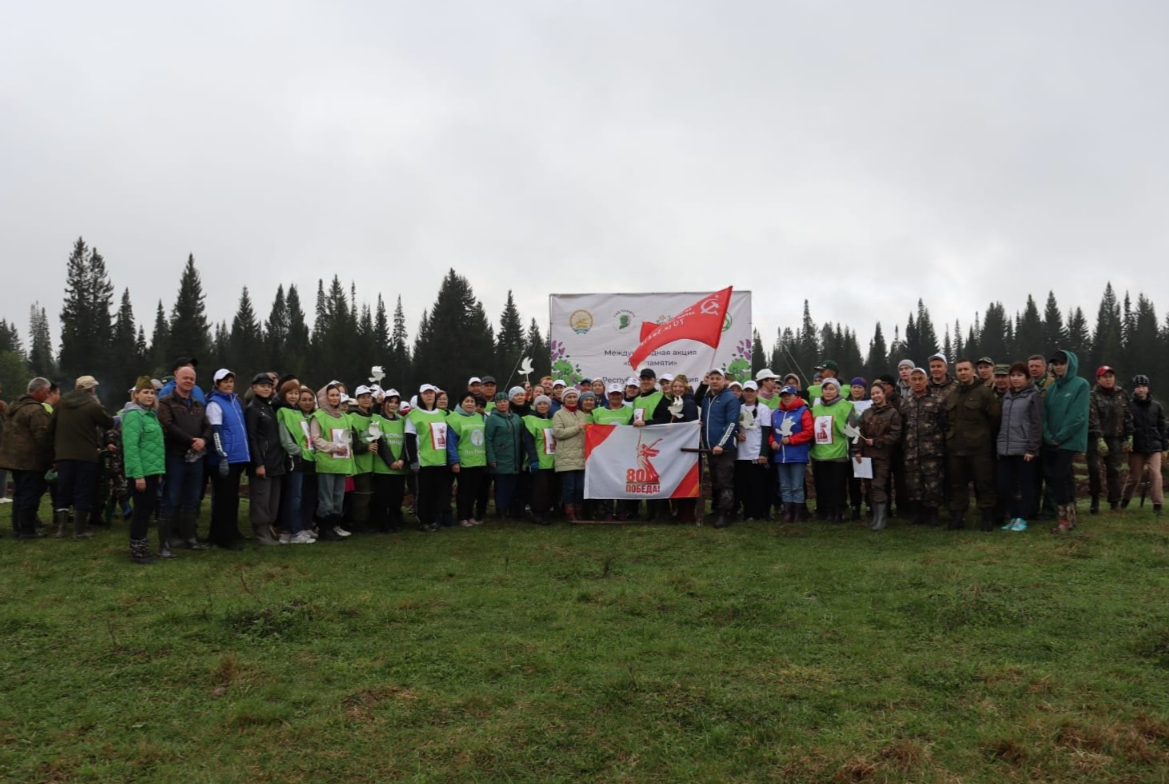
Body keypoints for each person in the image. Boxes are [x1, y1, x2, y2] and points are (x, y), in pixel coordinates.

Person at [47, 375, 114, 539]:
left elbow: (51, 428)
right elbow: (109, 423)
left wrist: (55, 451)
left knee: (63, 490)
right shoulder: (92, 404)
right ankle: (79, 530)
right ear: (92, 389)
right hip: (86, 455)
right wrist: (100, 406)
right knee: (82, 491)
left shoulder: (61, 403)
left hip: (63, 456)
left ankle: (61, 529)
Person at [156, 364, 211, 550]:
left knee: (192, 498)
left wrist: (203, 440)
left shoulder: (197, 404)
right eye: (185, 377)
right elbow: (168, 426)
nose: (188, 381)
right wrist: (191, 441)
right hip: (175, 457)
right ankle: (165, 541)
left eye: (192, 379)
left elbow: (208, 426)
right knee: (170, 498)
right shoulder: (165, 402)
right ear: (176, 379)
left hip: (196, 458)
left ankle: (190, 539)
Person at [944, 358, 1001, 531]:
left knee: (983, 483)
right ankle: (958, 517)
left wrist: (983, 437)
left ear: (973, 371)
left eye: (966, 369)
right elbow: (948, 420)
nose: (963, 373)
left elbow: (995, 419)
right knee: (957, 484)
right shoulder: (953, 394)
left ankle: (987, 518)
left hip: (979, 448)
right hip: (956, 448)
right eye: (959, 370)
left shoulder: (984, 393)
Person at [0, 377, 53, 539]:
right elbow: (43, 436)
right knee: (29, 495)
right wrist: (52, 457)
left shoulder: (14, 407)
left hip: (15, 459)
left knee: (19, 494)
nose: (48, 394)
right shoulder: (35, 410)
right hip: (31, 460)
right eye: (47, 390)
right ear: (39, 390)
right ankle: (27, 530)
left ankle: (18, 528)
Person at [1043, 349, 1090, 534]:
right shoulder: (1053, 388)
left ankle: (1063, 519)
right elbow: (1045, 414)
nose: (1059, 367)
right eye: (1055, 364)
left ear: (1070, 364)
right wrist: (1048, 435)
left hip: (1069, 440)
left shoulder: (1081, 385)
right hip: (1053, 440)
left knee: (1058, 477)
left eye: (1062, 363)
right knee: (1065, 478)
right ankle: (1071, 518)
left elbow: (1078, 416)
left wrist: (1061, 436)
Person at [121, 377, 166, 563]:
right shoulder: (133, 415)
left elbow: (155, 446)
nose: (149, 395)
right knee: (141, 512)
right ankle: (138, 551)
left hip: (152, 471)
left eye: (152, 392)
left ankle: (142, 546)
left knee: (147, 510)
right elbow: (131, 447)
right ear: (136, 394)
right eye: (145, 392)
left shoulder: (151, 414)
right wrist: (138, 475)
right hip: (141, 473)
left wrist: (159, 472)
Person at [206, 369, 251, 549]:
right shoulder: (214, 404)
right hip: (225, 459)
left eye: (231, 381)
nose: (228, 384)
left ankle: (230, 531)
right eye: (224, 382)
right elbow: (216, 432)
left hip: (238, 457)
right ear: (217, 384)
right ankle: (223, 538)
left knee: (233, 498)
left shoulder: (235, 402)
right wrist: (222, 455)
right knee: (224, 499)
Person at [996, 362, 1043, 532]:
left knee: (1025, 485)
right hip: (1005, 448)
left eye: (1019, 375)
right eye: (1013, 375)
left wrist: (1032, 448)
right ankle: (1014, 516)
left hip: (1024, 449)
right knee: (1003, 485)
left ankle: (1023, 518)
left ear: (1027, 378)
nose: (1015, 379)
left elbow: (1037, 424)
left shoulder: (1033, 396)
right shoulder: (1006, 396)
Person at [899, 368, 946, 526]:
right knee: (914, 483)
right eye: (915, 379)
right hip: (911, 451)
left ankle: (932, 514)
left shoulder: (937, 400)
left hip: (932, 451)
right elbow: (902, 427)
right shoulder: (905, 403)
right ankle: (917, 513)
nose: (918, 382)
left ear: (927, 381)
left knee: (932, 483)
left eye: (921, 379)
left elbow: (944, 424)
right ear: (910, 382)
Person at [854, 381, 901, 531]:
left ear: (884, 394)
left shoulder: (892, 413)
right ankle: (875, 516)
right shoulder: (867, 413)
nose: (875, 396)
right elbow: (858, 432)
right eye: (873, 394)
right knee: (869, 487)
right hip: (866, 457)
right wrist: (857, 451)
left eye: (878, 393)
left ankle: (882, 519)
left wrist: (877, 442)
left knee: (878, 485)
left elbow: (895, 434)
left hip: (882, 456)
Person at [310, 382, 354, 540]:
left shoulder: (345, 418)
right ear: (324, 397)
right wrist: (334, 447)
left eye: (337, 395)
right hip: (327, 463)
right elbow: (316, 439)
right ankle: (324, 529)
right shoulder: (319, 416)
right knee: (326, 499)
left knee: (338, 498)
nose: (335, 398)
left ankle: (333, 526)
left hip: (342, 463)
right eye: (332, 395)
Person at [244, 373, 284, 546]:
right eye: (262, 385)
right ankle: (260, 534)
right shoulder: (252, 409)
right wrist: (258, 463)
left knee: (273, 500)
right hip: (262, 463)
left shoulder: (269, 406)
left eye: (269, 386)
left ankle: (268, 528)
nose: (266, 388)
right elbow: (252, 438)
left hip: (275, 461)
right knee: (261, 499)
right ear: (254, 387)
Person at [809, 377, 856, 523]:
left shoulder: (846, 406)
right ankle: (826, 512)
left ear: (837, 390)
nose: (828, 392)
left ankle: (839, 512)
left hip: (838, 454)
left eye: (831, 389)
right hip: (819, 454)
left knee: (838, 485)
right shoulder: (815, 408)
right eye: (825, 389)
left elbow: (853, 430)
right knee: (823, 485)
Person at [1087, 366, 1133, 514]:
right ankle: (1095, 499)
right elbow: (1092, 418)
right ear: (1098, 379)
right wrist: (1099, 438)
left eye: (1111, 376)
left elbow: (1127, 415)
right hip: (1095, 438)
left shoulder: (1121, 393)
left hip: (1116, 438)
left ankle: (1115, 501)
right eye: (1105, 376)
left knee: (1114, 470)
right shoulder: (1092, 395)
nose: (1108, 379)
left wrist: (1129, 435)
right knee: (1095, 469)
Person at [405, 384, 450, 532]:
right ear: (420, 396)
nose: (429, 396)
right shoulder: (414, 415)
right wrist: (413, 460)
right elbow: (410, 440)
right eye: (426, 393)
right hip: (423, 460)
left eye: (431, 393)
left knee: (436, 491)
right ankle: (422, 520)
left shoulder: (442, 414)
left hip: (440, 459)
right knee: (424, 492)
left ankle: (433, 519)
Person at [275, 381, 316, 544]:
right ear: (284, 395)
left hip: (304, 459)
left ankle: (289, 530)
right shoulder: (283, 412)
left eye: (296, 393)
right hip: (294, 460)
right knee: (295, 497)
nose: (293, 396)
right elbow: (286, 441)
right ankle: (296, 531)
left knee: (297, 496)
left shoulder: (298, 413)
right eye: (290, 393)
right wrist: (302, 452)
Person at [700, 367, 740, 528]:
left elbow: (731, 424)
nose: (715, 381)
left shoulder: (730, 399)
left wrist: (721, 444)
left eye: (718, 378)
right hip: (710, 448)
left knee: (725, 482)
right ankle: (717, 509)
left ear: (724, 381)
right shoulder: (706, 399)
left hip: (725, 449)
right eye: (712, 378)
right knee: (716, 481)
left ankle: (725, 514)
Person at [1122, 375, 1167, 515]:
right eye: (1138, 387)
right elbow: (1125, 426)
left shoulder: (1157, 406)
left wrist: (1165, 448)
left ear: (1148, 388)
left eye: (1143, 386)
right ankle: (1124, 501)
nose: (1141, 390)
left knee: (1155, 474)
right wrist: (1126, 441)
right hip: (1136, 447)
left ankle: (1157, 505)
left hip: (1154, 446)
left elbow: (1162, 428)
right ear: (1134, 389)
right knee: (1134, 476)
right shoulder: (1128, 406)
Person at [770, 385, 814, 522]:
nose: (786, 398)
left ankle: (798, 514)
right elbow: (770, 431)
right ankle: (787, 512)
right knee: (784, 485)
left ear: (795, 395)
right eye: (783, 395)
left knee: (796, 486)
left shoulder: (803, 411)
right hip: (780, 455)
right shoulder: (776, 413)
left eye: (789, 395)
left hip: (797, 455)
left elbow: (809, 432)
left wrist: (792, 440)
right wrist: (771, 442)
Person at [447, 391, 488, 527]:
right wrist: (454, 461)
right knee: (464, 491)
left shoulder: (479, 417)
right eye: (467, 401)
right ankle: (462, 517)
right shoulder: (454, 418)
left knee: (474, 490)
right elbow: (451, 443)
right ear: (460, 403)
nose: (470, 404)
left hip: (478, 459)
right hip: (463, 461)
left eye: (472, 402)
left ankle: (470, 515)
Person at [371, 389, 408, 533]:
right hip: (384, 467)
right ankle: (383, 523)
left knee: (396, 498)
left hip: (400, 467)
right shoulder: (378, 419)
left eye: (396, 403)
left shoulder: (402, 420)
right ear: (384, 403)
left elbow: (406, 442)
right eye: (390, 402)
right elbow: (380, 441)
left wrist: (402, 460)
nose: (393, 405)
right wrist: (391, 461)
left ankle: (394, 521)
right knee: (383, 498)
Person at [735, 380, 771, 521]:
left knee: (757, 486)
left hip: (756, 453)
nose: (749, 393)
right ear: (743, 392)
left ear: (757, 392)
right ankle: (747, 512)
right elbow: (734, 426)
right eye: (746, 391)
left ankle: (758, 513)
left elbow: (766, 432)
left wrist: (763, 453)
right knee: (744, 485)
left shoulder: (763, 409)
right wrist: (737, 433)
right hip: (740, 454)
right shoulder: (739, 408)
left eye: (752, 391)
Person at [552, 388, 589, 522]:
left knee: (580, 487)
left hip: (581, 456)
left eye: (574, 397)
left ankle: (579, 512)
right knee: (570, 488)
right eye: (569, 397)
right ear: (564, 399)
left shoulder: (581, 414)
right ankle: (570, 514)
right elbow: (558, 433)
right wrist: (577, 428)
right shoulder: (558, 414)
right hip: (566, 457)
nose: (572, 399)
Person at [485, 391, 523, 519]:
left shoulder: (516, 418)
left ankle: (510, 509)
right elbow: (488, 439)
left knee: (512, 486)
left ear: (509, 402)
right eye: (499, 402)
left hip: (514, 458)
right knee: (501, 487)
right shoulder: (492, 419)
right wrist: (491, 458)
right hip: (500, 458)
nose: (502, 404)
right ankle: (501, 511)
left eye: (505, 401)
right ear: (495, 404)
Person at [346, 385, 377, 533]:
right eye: (363, 397)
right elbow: (351, 442)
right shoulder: (352, 418)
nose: (366, 400)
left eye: (368, 397)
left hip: (374, 463)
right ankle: (359, 522)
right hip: (360, 463)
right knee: (362, 496)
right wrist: (366, 447)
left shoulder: (373, 417)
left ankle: (368, 519)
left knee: (370, 494)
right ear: (357, 399)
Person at [523, 395, 556, 525]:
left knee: (551, 488)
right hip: (539, 460)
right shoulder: (530, 420)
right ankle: (537, 512)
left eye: (545, 403)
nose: (543, 406)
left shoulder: (553, 420)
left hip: (553, 460)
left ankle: (547, 511)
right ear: (535, 406)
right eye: (540, 403)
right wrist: (533, 459)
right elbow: (529, 442)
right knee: (540, 488)